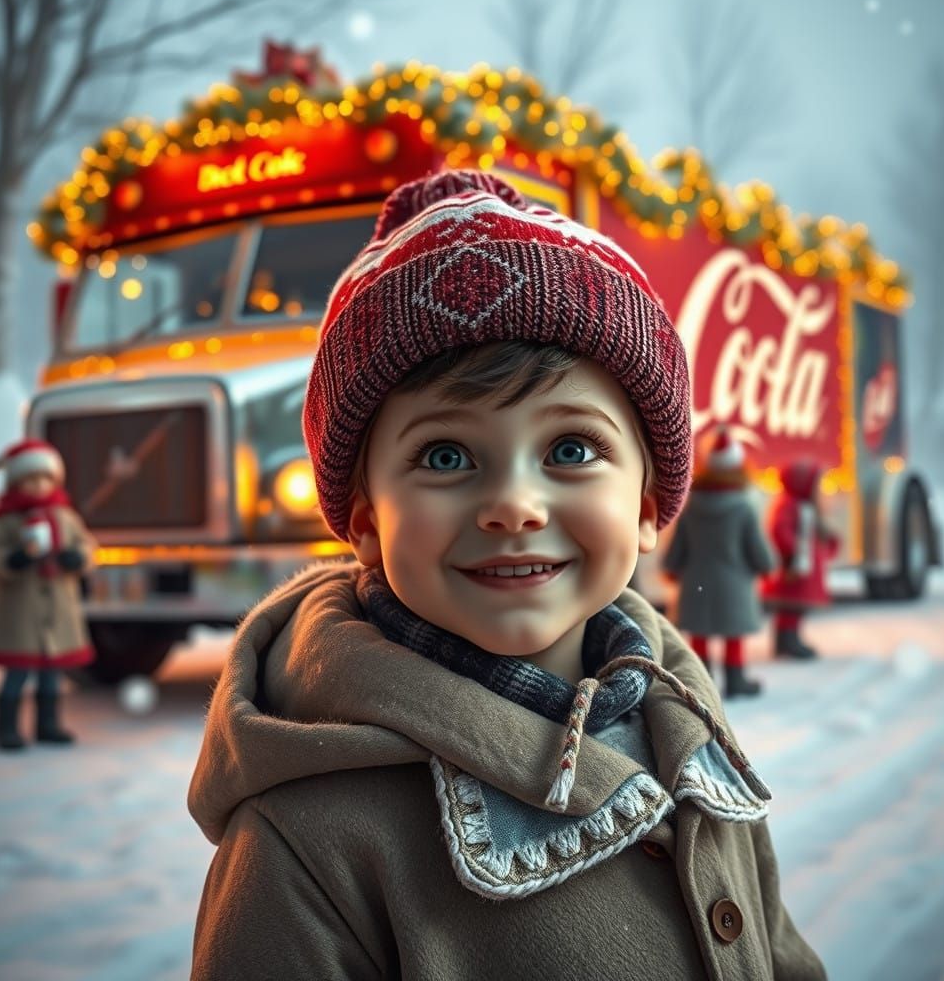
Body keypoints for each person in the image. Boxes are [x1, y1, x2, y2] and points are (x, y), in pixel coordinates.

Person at [188, 170, 826, 980]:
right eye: (446, 456)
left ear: (646, 500)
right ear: (365, 522)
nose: (514, 505)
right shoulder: (306, 844)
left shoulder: (688, 731)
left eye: (570, 450)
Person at [662, 425, 777, 698]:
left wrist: (672, 567)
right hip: (733, 584)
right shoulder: (743, 507)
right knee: (733, 635)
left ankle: (704, 682)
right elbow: (756, 547)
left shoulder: (691, 506)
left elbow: (680, 545)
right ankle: (736, 681)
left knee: (700, 634)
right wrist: (767, 566)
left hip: (697, 582)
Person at [0, 439, 96, 751]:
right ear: (16, 482)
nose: (39, 486)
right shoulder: (7, 521)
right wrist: (13, 560)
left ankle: (48, 724)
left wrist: (77, 558)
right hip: (22, 610)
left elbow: (86, 544)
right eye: (30, 479)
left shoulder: (64, 516)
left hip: (57, 609)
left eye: (45, 479)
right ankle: (7, 728)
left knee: (52, 675)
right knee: (18, 673)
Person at [761, 460, 841, 659]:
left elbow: (816, 536)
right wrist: (794, 549)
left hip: (801, 569)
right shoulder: (790, 505)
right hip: (793, 568)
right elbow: (779, 530)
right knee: (789, 609)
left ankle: (790, 639)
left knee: (795, 610)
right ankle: (787, 641)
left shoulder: (803, 507)